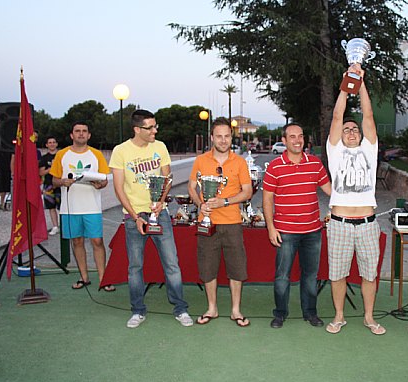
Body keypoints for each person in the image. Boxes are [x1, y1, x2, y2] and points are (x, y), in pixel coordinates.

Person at [110, 109, 192, 329]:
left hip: (160, 213)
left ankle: (180, 308)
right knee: (135, 266)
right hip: (133, 216)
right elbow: (118, 188)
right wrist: (135, 216)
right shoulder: (120, 151)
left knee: (171, 262)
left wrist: (160, 202)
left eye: (156, 126)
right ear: (137, 129)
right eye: (150, 127)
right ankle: (138, 311)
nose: (155, 131)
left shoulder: (160, 147)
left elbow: (167, 178)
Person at [325, 64, 385, 335]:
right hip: (339, 224)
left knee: (369, 274)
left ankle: (369, 317)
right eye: (347, 129)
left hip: (368, 224)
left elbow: (368, 115)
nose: (351, 132)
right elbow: (337, 116)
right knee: (337, 274)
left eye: (355, 129)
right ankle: (339, 316)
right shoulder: (335, 151)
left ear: (361, 135)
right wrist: (346, 84)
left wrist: (360, 83)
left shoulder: (369, 150)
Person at [263, 123, 331, 329]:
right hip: (285, 232)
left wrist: (350, 203)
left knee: (310, 276)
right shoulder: (275, 166)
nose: (297, 140)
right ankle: (280, 314)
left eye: (300, 136)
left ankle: (310, 313)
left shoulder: (315, 163)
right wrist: (271, 228)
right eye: (292, 137)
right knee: (282, 276)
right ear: (284, 141)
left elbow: (331, 191)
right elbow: (267, 200)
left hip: (313, 232)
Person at [188, 117, 253, 327]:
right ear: (212, 138)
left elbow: (247, 192)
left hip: (232, 222)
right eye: (219, 136)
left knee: (237, 267)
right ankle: (212, 308)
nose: (223, 140)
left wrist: (224, 201)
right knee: (207, 267)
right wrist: (200, 204)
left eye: (226, 136)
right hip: (207, 223)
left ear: (231, 138)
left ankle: (236, 310)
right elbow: (191, 187)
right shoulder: (201, 160)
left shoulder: (239, 162)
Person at [50, 122, 114, 292]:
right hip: (70, 207)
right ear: (72, 135)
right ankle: (84, 277)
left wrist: (99, 184)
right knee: (77, 241)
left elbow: (104, 180)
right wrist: (63, 181)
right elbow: (54, 180)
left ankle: (103, 279)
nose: (81, 134)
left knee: (97, 241)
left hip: (92, 206)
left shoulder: (96, 154)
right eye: (77, 131)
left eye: (84, 131)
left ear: (89, 135)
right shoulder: (62, 154)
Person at [39, 136, 61, 235]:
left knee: (63, 206)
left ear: (56, 144)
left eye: (53, 142)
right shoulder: (44, 158)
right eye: (50, 142)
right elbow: (41, 172)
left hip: (60, 184)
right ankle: (55, 226)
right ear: (47, 145)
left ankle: (64, 226)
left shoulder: (61, 156)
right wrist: (51, 168)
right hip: (48, 185)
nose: (52, 144)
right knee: (51, 207)